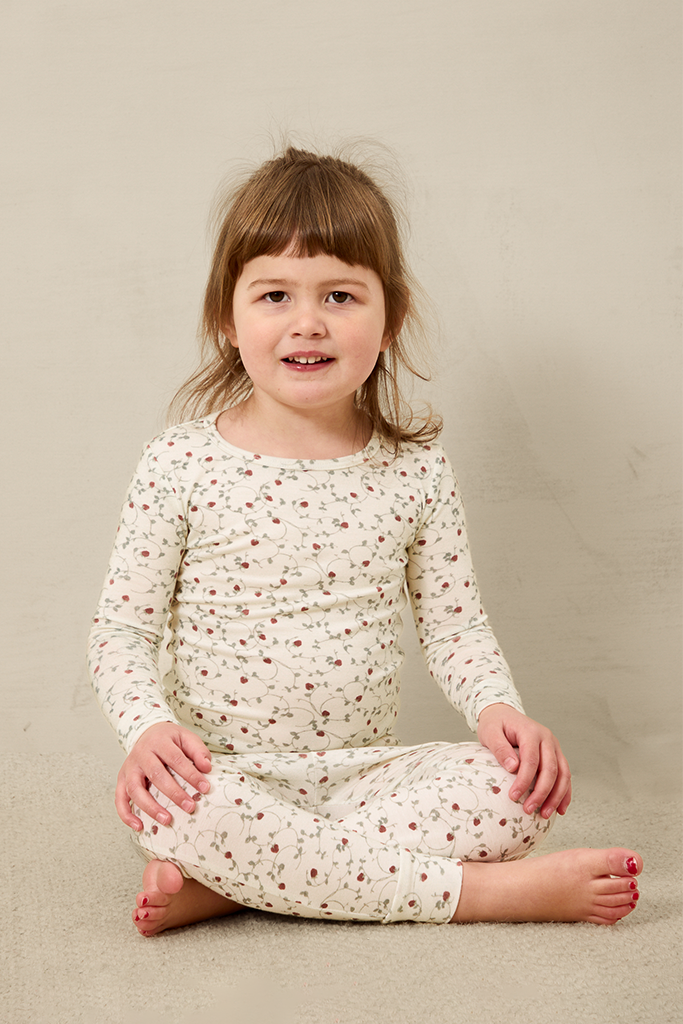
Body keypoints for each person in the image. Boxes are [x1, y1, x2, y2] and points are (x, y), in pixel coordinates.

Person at [88, 146, 642, 936]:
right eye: (274, 294)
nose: (306, 322)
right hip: (223, 776)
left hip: (367, 776)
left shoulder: (416, 471)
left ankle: (239, 886)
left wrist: (498, 710)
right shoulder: (181, 462)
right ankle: (487, 895)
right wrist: (147, 730)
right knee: (179, 812)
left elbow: (454, 626)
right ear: (226, 317)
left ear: (391, 320)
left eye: (340, 295)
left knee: (511, 792)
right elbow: (121, 631)